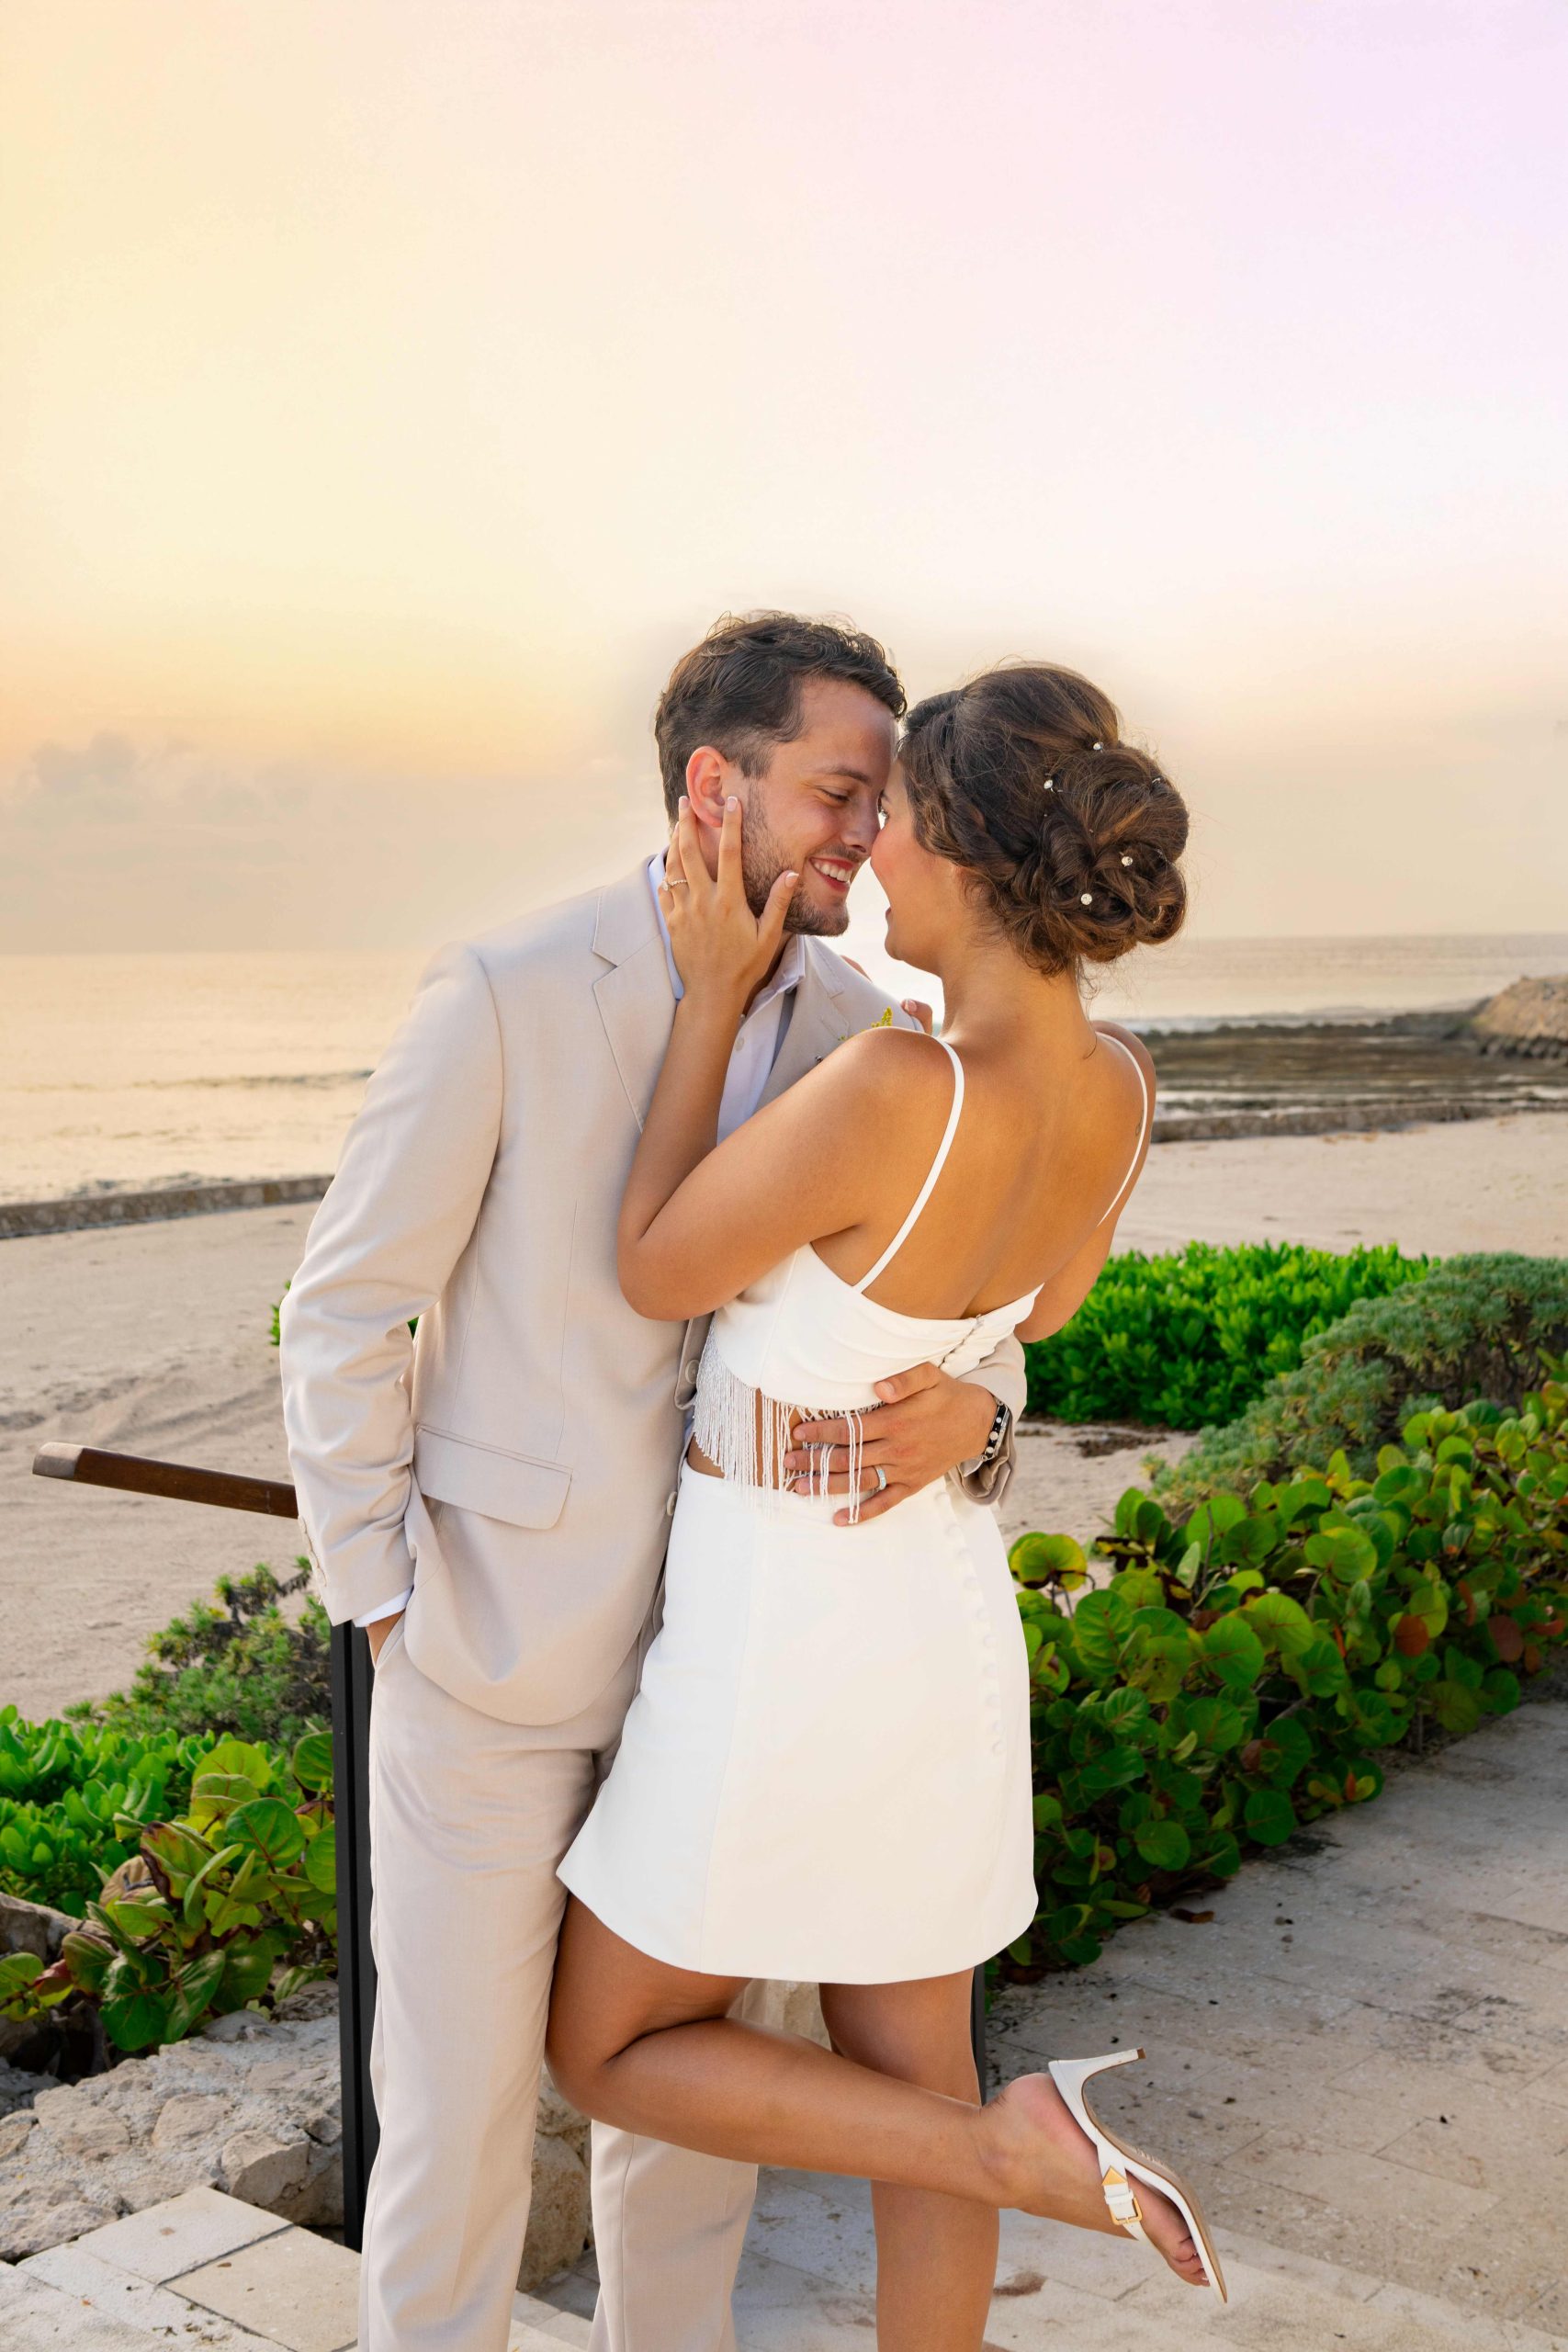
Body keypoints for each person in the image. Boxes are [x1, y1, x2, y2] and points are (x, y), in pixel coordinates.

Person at [277, 612, 1028, 2351]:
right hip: (488, 1666)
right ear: (719, 786)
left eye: (883, 801)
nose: (868, 834)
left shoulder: (867, 1032)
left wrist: (985, 1422)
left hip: (733, 1674)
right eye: (841, 792)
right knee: (454, 2134)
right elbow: (346, 1306)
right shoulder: (508, 990)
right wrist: (376, 1594)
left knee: (688, 2138)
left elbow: (966, 1306)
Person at [547, 660, 1224, 2348]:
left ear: (982, 864)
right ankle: (1007, 2144)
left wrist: (713, 998)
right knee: (913, 2052)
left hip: (787, 1626)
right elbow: (1037, 1318)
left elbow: (652, 1268)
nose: (878, 861)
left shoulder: (897, 1092)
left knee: (604, 2045)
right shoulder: (1120, 1088)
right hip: (933, 1609)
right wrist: (975, 1401)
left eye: (902, 823)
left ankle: (1022, 2149)